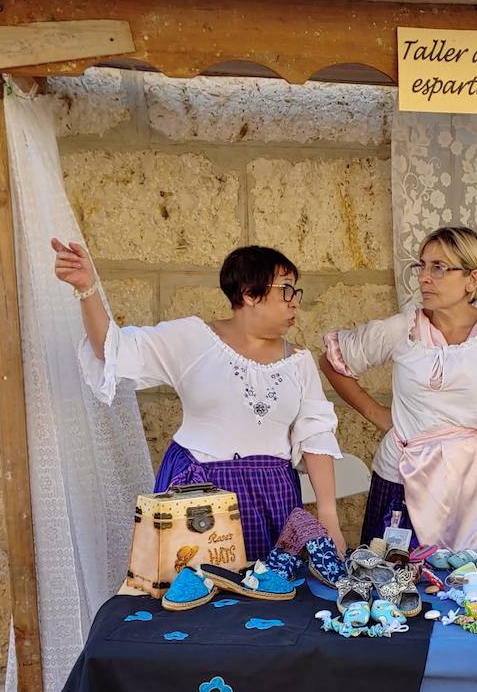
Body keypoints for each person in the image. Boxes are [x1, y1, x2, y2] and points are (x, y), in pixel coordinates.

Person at [53, 239, 346, 562]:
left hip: (273, 495)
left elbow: (316, 438)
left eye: (295, 292)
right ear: (249, 293)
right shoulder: (192, 339)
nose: (295, 303)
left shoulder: (299, 362)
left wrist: (328, 516)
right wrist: (87, 289)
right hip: (198, 491)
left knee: (271, 594)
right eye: (286, 290)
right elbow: (111, 349)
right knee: (194, 598)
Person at [320, 226, 477, 551]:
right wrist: (377, 413)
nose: (424, 277)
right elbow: (333, 361)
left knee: (473, 588)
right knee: (393, 587)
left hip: (471, 486)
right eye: (420, 266)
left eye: (438, 267)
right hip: (401, 478)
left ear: (472, 279)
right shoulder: (404, 328)